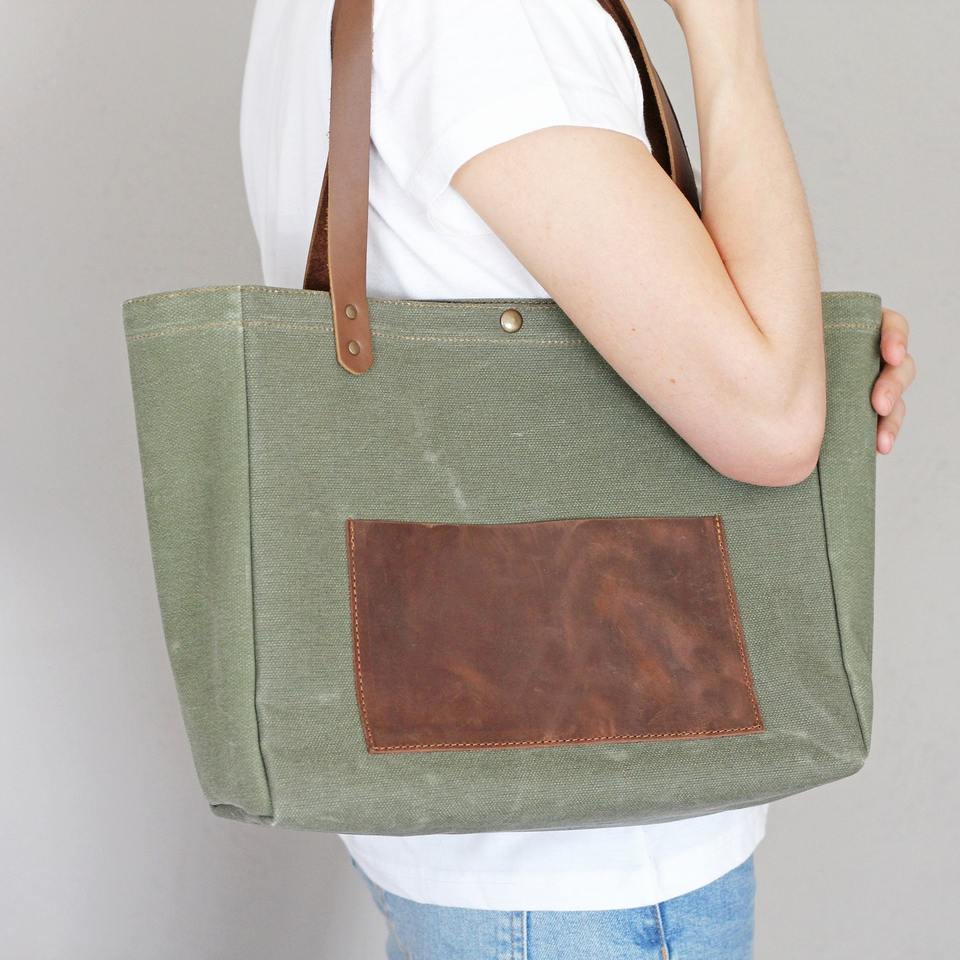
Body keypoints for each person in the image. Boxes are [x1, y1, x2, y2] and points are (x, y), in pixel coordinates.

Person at [240, 0, 917, 956]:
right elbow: (770, 424)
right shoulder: (495, 18)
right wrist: (727, 37)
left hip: (469, 842)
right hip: (591, 869)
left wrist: (792, 353)